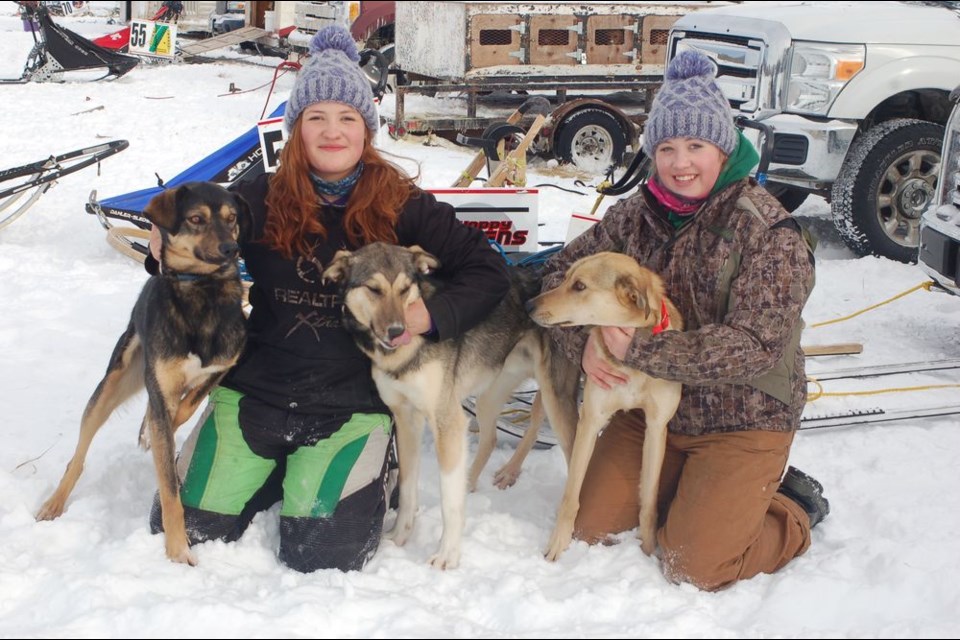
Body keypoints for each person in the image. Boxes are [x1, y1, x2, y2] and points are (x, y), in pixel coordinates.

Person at [144, 25, 510, 572]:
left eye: (348, 118)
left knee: (323, 554)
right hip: (258, 391)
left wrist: (428, 314)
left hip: (350, 403)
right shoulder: (257, 196)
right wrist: (163, 246)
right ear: (296, 130)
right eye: (316, 117)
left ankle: (357, 468)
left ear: (367, 128)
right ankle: (274, 470)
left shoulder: (403, 202)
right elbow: (190, 231)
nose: (332, 132)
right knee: (188, 527)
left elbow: (488, 271)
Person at [540, 50, 827, 592]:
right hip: (649, 408)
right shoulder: (636, 215)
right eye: (666, 148)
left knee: (696, 567)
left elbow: (755, 345)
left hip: (742, 416)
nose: (680, 162)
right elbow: (558, 276)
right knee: (591, 529)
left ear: (723, 147)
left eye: (695, 145)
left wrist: (639, 351)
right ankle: (701, 494)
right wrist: (580, 337)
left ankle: (790, 507)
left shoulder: (768, 231)